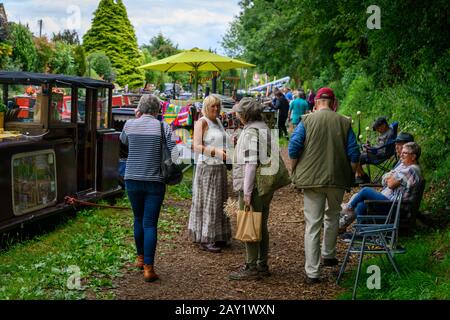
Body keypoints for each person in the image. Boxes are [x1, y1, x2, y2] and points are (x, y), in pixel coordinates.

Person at [288, 87, 360, 284]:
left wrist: (294, 170)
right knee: (333, 215)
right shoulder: (344, 122)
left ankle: (313, 272)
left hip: (311, 179)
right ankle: (328, 254)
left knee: (313, 224)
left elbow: (294, 147)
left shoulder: (307, 120)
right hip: (337, 178)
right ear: (333, 102)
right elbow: (354, 153)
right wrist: (350, 174)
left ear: (316, 102)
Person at [120, 94, 176, 282]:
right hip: (155, 181)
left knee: (137, 217)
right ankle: (149, 268)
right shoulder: (164, 127)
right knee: (150, 223)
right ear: (158, 110)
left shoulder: (129, 125)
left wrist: (136, 119)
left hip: (132, 179)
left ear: (140, 109)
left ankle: (140, 257)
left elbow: (124, 142)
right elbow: (174, 153)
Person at [229, 97, 276, 280]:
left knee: (249, 222)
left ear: (245, 115)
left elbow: (250, 163)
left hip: (254, 186)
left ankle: (251, 266)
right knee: (261, 224)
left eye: (239, 112)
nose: (238, 115)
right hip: (266, 185)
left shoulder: (250, 133)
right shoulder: (264, 128)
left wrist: (247, 192)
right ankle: (262, 264)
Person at [339, 142, 422, 233]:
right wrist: (391, 176)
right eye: (402, 152)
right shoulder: (404, 166)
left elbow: (390, 184)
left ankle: (347, 208)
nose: (401, 155)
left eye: (405, 153)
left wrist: (390, 176)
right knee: (361, 205)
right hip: (392, 204)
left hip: (397, 208)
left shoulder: (411, 169)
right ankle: (360, 231)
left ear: (413, 157)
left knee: (365, 190)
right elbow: (385, 179)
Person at [188, 95, 232, 253]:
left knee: (219, 202)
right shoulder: (202, 122)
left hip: (219, 166)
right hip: (207, 167)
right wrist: (217, 152)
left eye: (218, 106)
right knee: (209, 202)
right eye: (213, 106)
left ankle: (218, 235)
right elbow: (196, 147)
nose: (216, 109)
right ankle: (206, 237)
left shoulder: (218, 121)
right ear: (206, 107)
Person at [354, 117, 396, 184]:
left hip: (379, 156)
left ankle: (362, 177)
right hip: (376, 153)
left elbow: (382, 151)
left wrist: (370, 150)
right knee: (356, 155)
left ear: (384, 125)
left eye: (378, 128)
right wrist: (370, 147)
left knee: (355, 157)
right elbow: (380, 146)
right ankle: (361, 176)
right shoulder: (385, 132)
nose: (377, 130)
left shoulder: (389, 134)